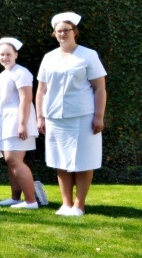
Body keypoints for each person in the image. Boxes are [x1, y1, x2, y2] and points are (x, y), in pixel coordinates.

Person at [36, 12, 107, 217]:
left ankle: (79, 205)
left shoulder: (88, 55)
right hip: (55, 118)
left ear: (75, 32)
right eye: (58, 31)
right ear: (54, 34)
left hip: (83, 117)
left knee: (84, 161)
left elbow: (100, 88)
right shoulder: (49, 58)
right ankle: (66, 204)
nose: (62, 34)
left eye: (66, 30)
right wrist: (40, 117)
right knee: (61, 160)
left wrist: (99, 116)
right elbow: (41, 90)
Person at [0, 37, 42, 209]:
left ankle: (31, 201)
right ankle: (15, 198)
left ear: (16, 55)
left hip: (17, 120)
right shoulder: (1, 76)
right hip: (3, 123)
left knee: (14, 160)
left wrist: (22, 124)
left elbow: (26, 99)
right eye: (2, 54)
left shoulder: (22, 72)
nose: (5, 57)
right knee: (10, 161)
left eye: (8, 54)